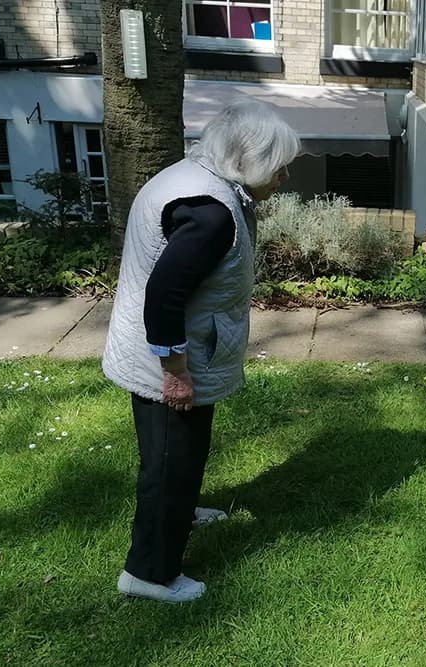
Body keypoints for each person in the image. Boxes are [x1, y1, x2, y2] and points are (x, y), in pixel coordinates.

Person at [102, 100, 300, 602]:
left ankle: (181, 512)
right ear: (245, 159)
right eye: (278, 167)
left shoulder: (197, 177)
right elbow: (164, 295)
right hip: (168, 357)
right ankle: (149, 573)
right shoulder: (211, 215)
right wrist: (175, 372)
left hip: (179, 348)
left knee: (179, 453)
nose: (284, 178)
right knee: (170, 462)